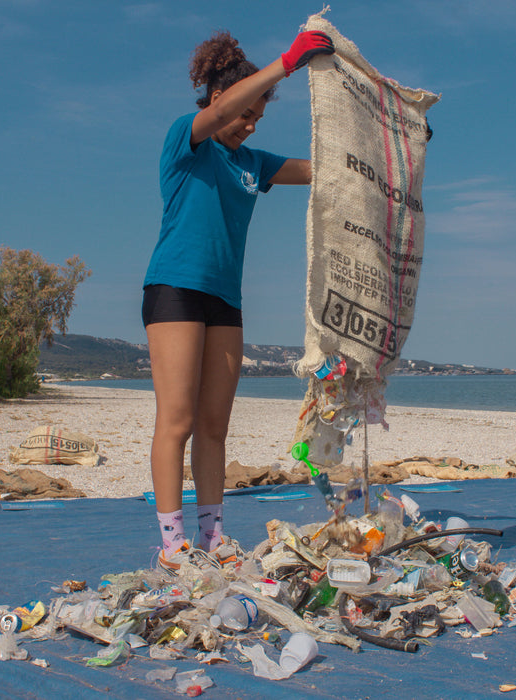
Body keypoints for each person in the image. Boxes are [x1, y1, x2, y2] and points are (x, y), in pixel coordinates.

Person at [142, 29, 334, 574]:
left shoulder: (252, 161)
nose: (249, 124)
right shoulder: (188, 138)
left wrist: (392, 152)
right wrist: (288, 62)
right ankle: (172, 541)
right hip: (175, 289)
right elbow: (225, 105)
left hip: (226, 299)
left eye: (258, 119)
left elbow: (323, 173)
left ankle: (213, 536)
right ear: (217, 103)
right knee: (176, 420)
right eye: (245, 113)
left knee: (214, 425)